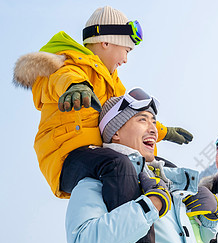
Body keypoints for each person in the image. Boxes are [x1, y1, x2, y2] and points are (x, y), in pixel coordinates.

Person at [12, 5, 193, 200]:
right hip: (68, 156)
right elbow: (60, 77)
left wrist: (164, 131)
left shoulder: (113, 84)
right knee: (119, 165)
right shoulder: (68, 65)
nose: (125, 60)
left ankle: (197, 217)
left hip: (101, 153)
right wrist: (76, 87)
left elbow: (129, 115)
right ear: (106, 42)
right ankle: (128, 227)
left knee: (167, 171)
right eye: (126, 51)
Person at [65, 90, 218, 243]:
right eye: (142, 120)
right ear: (116, 132)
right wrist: (148, 206)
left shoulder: (168, 184)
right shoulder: (95, 184)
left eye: (154, 122)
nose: (153, 129)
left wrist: (209, 224)